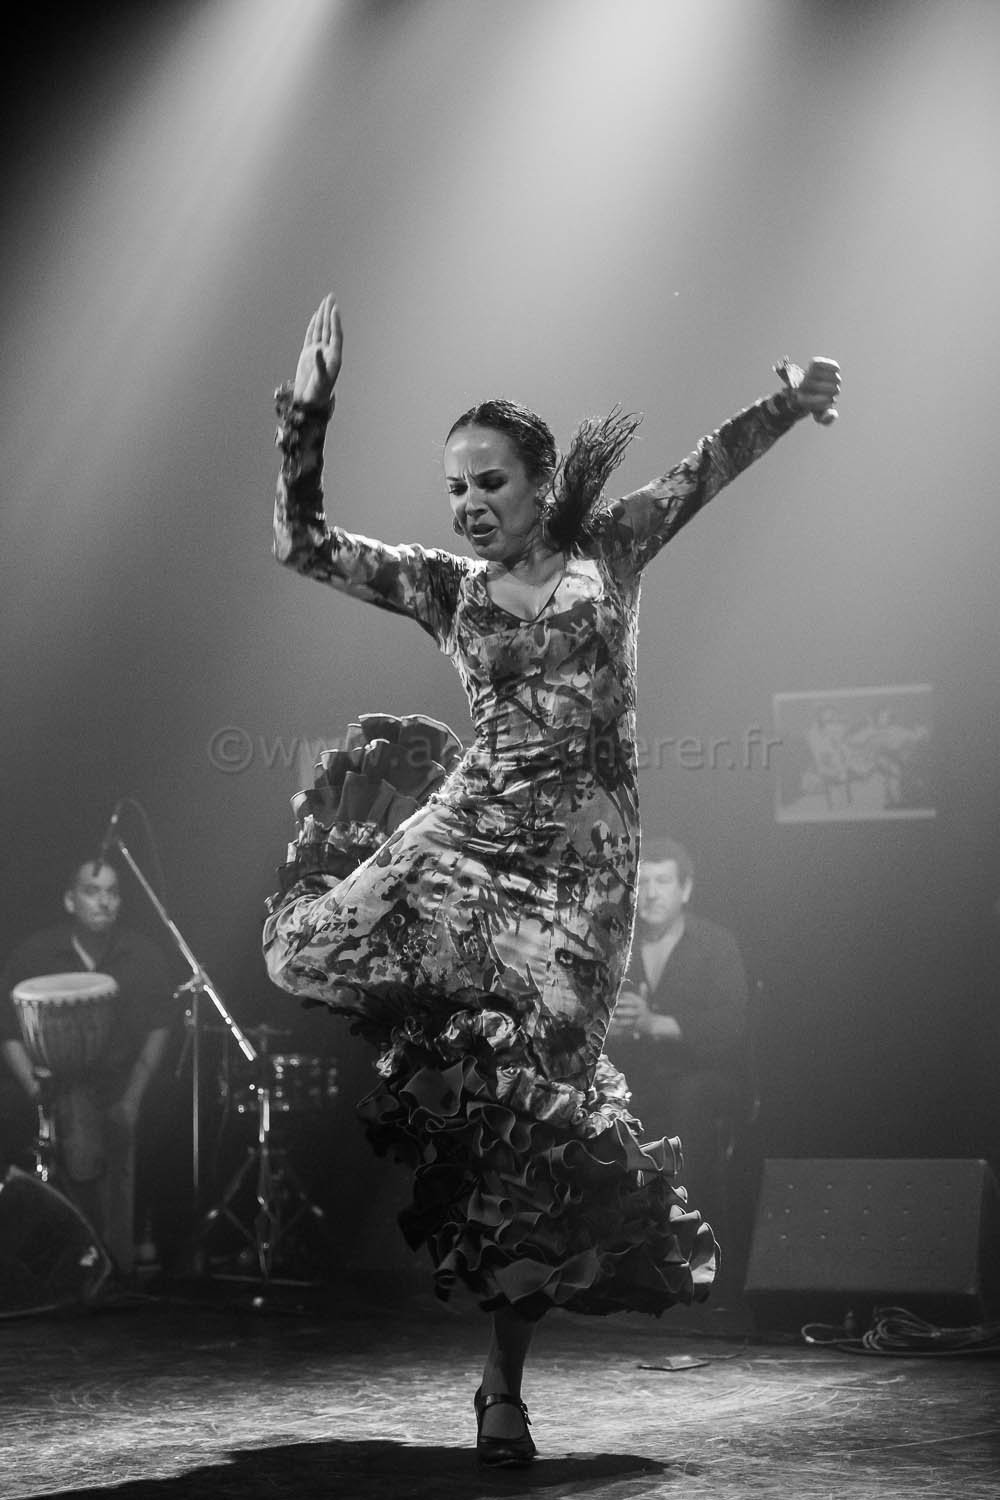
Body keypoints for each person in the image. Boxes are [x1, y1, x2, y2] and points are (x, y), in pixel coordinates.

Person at [262, 294, 840, 1465]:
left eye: (489, 482)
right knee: (294, 950)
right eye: (453, 489)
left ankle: (502, 1389)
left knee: (537, 1143)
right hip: (470, 839)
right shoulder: (446, 588)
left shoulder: (609, 550)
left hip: (579, 883)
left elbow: (705, 467)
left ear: (540, 483)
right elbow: (301, 545)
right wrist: (306, 421)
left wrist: (788, 400)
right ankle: (422, 988)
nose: (469, 504)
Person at [0, 859, 174, 1273]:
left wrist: (132, 1100)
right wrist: (36, 1093)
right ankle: (48, 1265)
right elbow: (7, 1030)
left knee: (154, 1119)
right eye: (92, 891)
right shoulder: (35, 954)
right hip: (49, 1086)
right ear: (70, 900)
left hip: (117, 1085)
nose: (104, 901)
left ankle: (122, 1261)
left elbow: (160, 1026)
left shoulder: (143, 956)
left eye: (112, 892)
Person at [606, 837, 750, 1255]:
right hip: (633, 1077)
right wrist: (613, 1028)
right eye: (643, 882)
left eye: (663, 881)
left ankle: (682, 1238)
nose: (651, 893)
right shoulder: (615, 943)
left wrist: (654, 1024)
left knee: (689, 1098)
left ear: (685, 889)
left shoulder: (715, 944)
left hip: (702, 1077)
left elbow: (730, 1027)